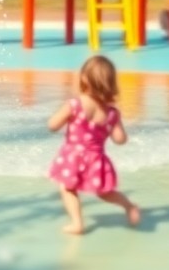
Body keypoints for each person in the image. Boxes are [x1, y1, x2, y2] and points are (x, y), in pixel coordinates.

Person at [47, 55, 142, 234]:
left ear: (83, 78)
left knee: (67, 188)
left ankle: (77, 223)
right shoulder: (112, 113)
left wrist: (58, 119)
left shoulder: (74, 105)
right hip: (97, 160)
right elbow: (120, 139)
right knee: (104, 192)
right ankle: (129, 206)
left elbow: (52, 125)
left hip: (72, 158)